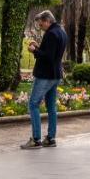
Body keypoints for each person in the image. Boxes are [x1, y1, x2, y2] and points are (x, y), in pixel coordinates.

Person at [21, 10, 67, 150]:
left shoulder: (51, 34)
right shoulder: (61, 32)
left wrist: (33, 50)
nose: (41, 27)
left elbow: (47, 57)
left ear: (47, 21)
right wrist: (39, 47)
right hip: (55, 74)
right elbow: (51, 54)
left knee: (33, 104)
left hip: (45, 75)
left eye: (41, 25)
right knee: (51, 106)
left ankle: (36, 139)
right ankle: (51, 138)